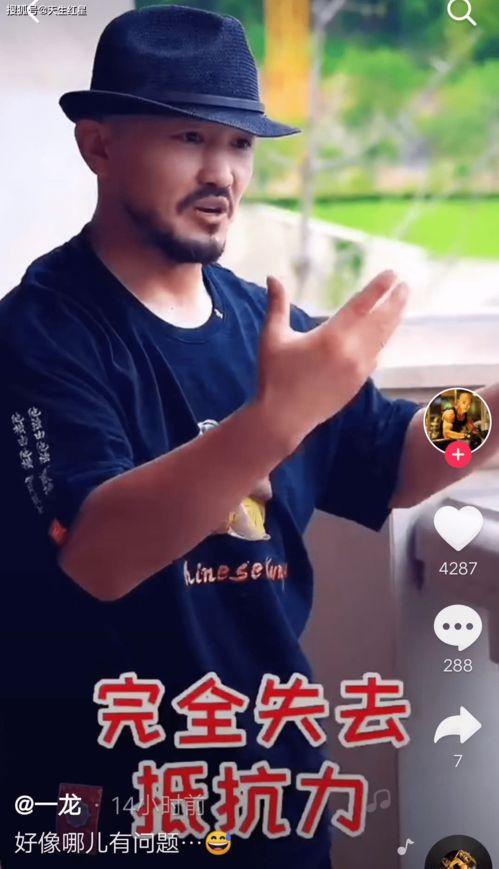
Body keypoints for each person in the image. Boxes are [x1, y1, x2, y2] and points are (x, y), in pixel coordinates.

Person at [1, 5, 499, 867]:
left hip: (271, 787)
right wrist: (274, 419)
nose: (221, 172)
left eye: (238, 143)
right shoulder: (42, 332)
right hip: (103, 802)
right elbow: (98, 555)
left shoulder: (264, 326)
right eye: (189, 137)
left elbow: (398, 464)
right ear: (98, 145)